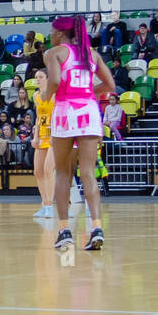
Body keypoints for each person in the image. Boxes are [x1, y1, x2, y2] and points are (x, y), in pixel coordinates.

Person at [45, 14, 115, 251]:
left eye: (52, 32)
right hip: (89, 111)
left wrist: (45, 95)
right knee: (88, 173)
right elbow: (110, 86)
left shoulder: (54, 53)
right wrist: (89, 92)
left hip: (66, 110)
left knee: (63, 172)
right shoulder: (91, 54)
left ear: (59, 34)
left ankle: (64, 230)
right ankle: (96, 227)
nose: (50, 35)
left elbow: (54, 81)